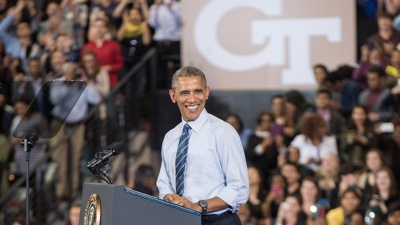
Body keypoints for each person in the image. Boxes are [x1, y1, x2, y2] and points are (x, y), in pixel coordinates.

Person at [156, 66, 249, 225]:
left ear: (206, 92)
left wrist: (198, 206)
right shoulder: (170, 136)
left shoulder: (223, 131)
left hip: (218, 220)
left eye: (198, 91)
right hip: (181, 220)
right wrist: (168, 196)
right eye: (185, 92)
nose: (192, 99)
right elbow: (164, 183)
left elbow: (239, 188)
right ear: (173, 96)